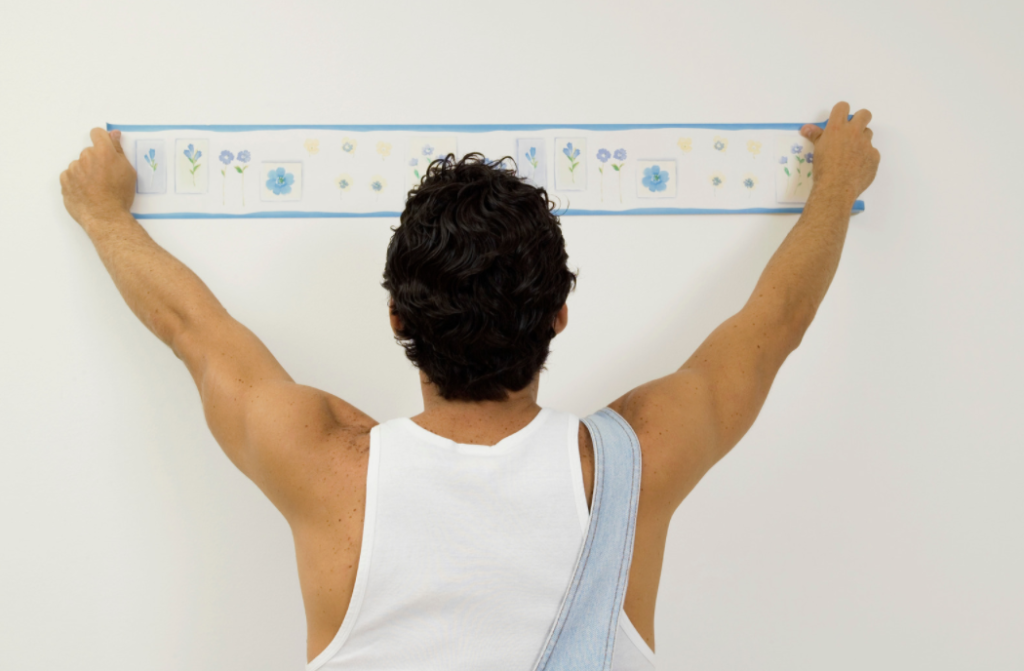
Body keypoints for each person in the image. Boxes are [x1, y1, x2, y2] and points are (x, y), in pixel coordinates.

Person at [59, 101, 879, 670]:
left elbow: (194, 334)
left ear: (396, 320)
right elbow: (773, 330)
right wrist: (835, 185)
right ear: (558, 316)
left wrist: (104, 215)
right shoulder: (634, 463)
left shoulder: (320, 460)